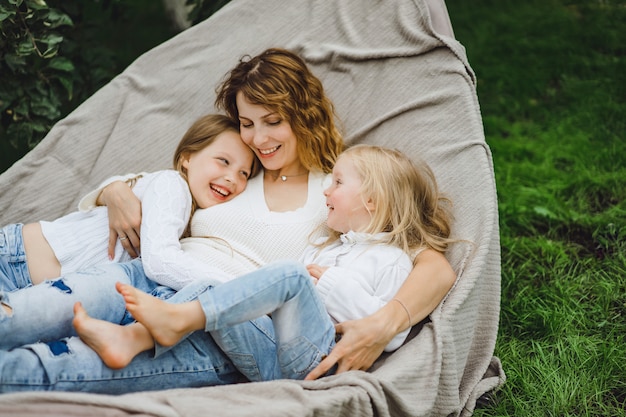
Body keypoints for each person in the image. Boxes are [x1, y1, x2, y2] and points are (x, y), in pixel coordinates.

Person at [0, 48, 456, 394]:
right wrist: (114, 189)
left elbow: (430, 264)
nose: (257, 138)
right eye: (246, 122)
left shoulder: (343, 190)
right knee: (20, 316)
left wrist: (385, 323)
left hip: (222, 324)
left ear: (303, 113)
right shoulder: (241, 168)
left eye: (272, 121)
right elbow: (174, 180)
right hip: (142, 274)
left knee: (48, 366)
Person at [74, 144, 455, 385]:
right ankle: (131, 338)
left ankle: (167, 324)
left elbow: (395, 332)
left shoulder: (392, 260)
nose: (327, 189)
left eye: (337, 182)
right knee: (214, 290)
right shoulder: (329, 247)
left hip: (313, 362)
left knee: (289, 275)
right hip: (272, 348)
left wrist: (330, 287)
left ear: (371, 200)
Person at [0, 113, 258, 349]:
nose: (232, 178)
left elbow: (129, 182)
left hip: (41, 291)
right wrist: (247, 290)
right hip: (15, 264)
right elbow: (160, 261)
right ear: (187, 158)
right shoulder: (172, 185)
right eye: (223, 161)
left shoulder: (189, 214)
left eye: (244, 173)